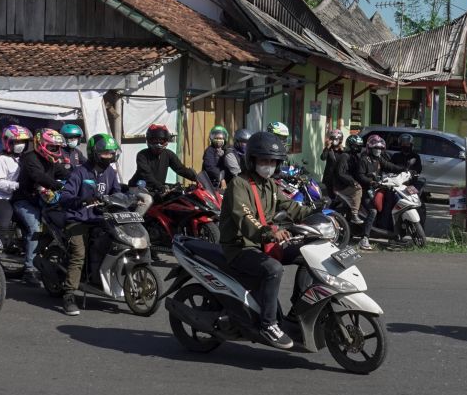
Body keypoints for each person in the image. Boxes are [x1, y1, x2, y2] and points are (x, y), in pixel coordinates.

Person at [219, 131, 312, 350]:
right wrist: (270, 233)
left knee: (307, 254)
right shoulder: (239, 184)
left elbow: (291, 207)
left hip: (263, 243)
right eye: (263, 160)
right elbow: (245, 217)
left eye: (272, 161)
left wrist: (319, 212)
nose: (268, 165)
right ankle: (268, 324)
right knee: (274, 269)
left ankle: (296, 312)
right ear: (252, 160)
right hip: (241, 247)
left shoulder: (270, 185)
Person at [57, 134, 122, 316]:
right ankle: (69, 295)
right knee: (79, 254)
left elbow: (117, 193)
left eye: (111, 153)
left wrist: (130, 198)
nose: (109, 156)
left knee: (116, 243)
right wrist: (83, 200)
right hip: (77, 219)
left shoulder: (110, 173)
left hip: (99, 218)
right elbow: (65, 197)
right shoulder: (79, 172)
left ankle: (100, 279)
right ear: (94, 153)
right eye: (105, 153)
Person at [14, 128, 70, 285]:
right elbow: (39, 176)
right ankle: (29, 269)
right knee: (36, 228)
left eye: (57, 148)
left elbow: (66, 174)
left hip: (44, 200)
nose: (55, 150)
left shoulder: (51, 160)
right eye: (52, 147)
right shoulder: (30, 158)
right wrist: (56, 186)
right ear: (41, 144)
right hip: (25, 200)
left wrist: (79, 179)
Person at [129, 124, 197, 214]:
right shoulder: (142, 155)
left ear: (166, 141)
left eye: (161, 141)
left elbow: (180, 169)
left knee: (177, 198)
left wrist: (197, 178)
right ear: (149, 140)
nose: (158, 144)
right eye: (155, 141)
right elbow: (146, 174)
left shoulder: (168, 154)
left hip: (157, 188)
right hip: (138, 187)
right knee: (148, 200)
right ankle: (134, 226)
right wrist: (160, 187)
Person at [352, 134, 403, 251]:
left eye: (380, 148)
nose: (378, 150)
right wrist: (371, 182)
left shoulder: (379, 159)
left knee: (390, 201)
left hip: (377, 189)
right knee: (373, 211)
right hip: (366, 190)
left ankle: (393, 234)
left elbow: (390, 166)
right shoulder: (364, 160)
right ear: (370, 148)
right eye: (376, 148)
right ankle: (364, 238)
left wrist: (404, 169)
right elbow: (360, 176)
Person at [0, 122, 31, 239]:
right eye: (17, 142)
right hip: (2, 198)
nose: (21, 145)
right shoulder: (2, 159)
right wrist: (17, 185)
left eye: (23, 142)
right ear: (8, 142)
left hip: (18, 197)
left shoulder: (25, 158)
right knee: (3, 225)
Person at [319, 128, 345, 198]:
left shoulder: (343, 151)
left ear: (341, 140)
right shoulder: (329, 149)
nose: (335, 141)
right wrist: (327, 146)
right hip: (329, 177)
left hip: (339, 177)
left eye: (337, 139)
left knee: (339, 196)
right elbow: (323, 157)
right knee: (328, 196)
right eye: (333, 138)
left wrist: (343, 150)